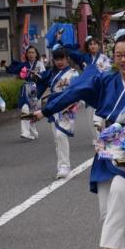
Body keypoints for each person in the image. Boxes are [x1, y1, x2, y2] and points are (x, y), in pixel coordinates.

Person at [34, 30, 125, 249]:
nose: (123, 60)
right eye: (118, 55)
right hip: (106, 148)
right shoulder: (105, 81)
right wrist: (47, 109)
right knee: (107, 210)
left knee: (120, 191)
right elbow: (76, 91)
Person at [35, 47, 80, 178]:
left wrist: (74, 103)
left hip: (68, 107)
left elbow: (77, 91)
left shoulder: (73, 73)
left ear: (67, 59)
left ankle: (65, 166)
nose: (59, 62)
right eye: (56, 59)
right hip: (53, 107)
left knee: (61, 134)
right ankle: (61, 165)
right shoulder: (51, 73)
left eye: (62, 59)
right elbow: (40, 87)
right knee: (56, 138)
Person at [6, 45, 46, 141]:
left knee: (32, 112)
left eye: (33, 52)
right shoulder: (24, 64)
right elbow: (14, 70)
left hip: (36, 89)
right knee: (25, 108)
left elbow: (44, 76)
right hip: (26, 88)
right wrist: (6, 66)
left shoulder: (40, 64)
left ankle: (33, 131)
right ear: (26, 55)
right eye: (29, 53)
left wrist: (36, 74)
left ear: (36, 54)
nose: (31, 54)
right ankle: (25, 132)